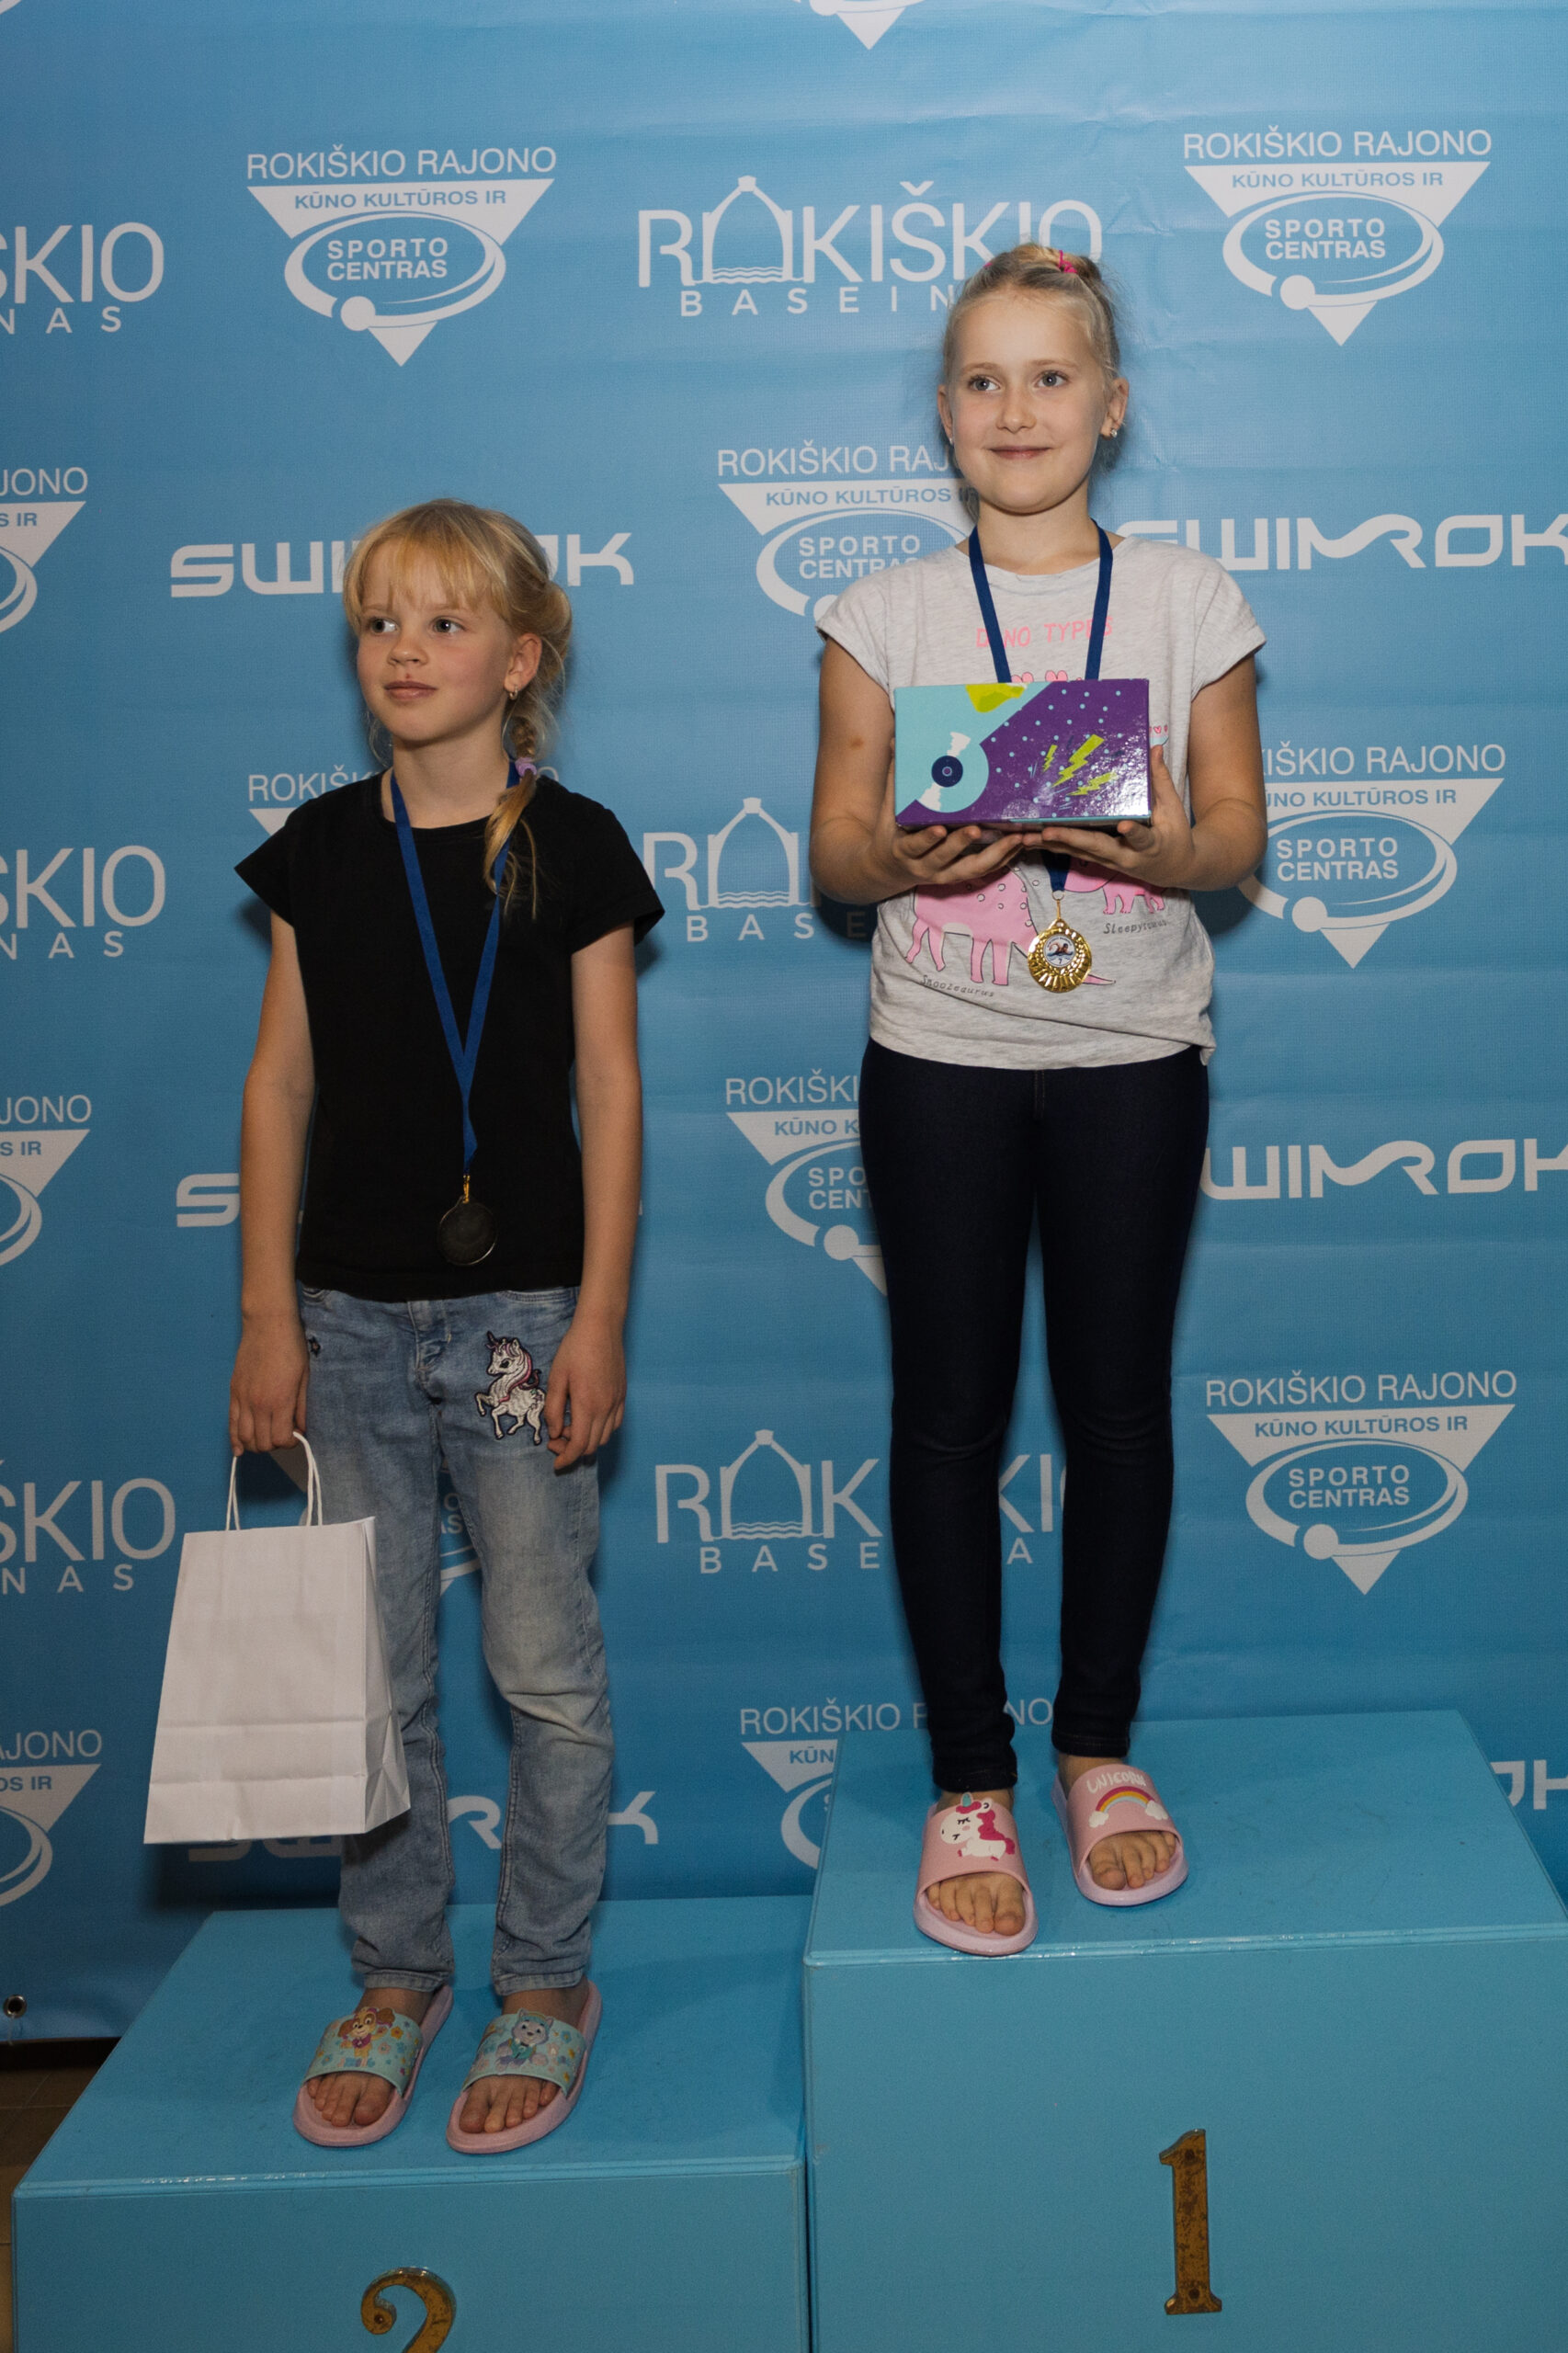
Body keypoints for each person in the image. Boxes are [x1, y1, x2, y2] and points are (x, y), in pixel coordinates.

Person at [810, 246, 1266, 1949]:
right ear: (944, 415)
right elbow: (836, 852)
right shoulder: (880, 610)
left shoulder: (1188, 597)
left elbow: (1236, 837)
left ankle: (1094, 1751)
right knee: (947, 1416)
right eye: (984, 382)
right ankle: (966, 1779)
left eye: (1051, 378)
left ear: (1112, 406)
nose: (1018, 411)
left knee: (1116, 1407)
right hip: (938, 1047)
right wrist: (909, 856)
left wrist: (1157, 847)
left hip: (1132, 1045)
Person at [230, 498, 662, 2139]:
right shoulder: (320, 848)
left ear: (521, 658)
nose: (403, 651)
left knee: (544, 1673)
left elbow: (610, 1093)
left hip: (524, 1315)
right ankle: (394, 1977)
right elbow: (278, 1086)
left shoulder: (578, 843)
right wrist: (266, 1313)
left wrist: (597, 1319)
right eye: (378, 624)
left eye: (443, 622)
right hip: (340, 1320)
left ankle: (542, 1986)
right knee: (375, 1677)